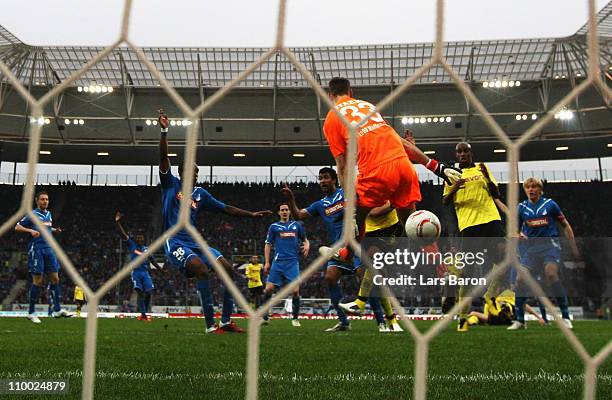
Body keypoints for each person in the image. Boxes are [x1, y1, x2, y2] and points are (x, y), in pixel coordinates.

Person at [322, 77, 460, 263]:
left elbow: (342, 164)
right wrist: (436, 166)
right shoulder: (367, 107)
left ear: (330, 95)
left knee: (358, 217)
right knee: (413, 223)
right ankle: (440, 269)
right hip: (404, 166)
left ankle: (345, 254)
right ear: (351, 92)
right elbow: (400, 141)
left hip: (376, 171)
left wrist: (349, 202)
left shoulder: (332, 117)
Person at [158, 110, 271, 333]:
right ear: (182, 172)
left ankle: (226, 321)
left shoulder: (201, 194)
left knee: (227, 269)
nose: (196, 175)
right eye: (193, 171)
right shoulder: (171, 184)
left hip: (195, 242)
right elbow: (163, 158)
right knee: (201, 270)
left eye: (198, 173)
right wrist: (164, 131)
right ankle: (210, 325)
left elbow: (225, 209)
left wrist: (251, 214)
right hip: (175, 242)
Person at [442, 142, 506, 332]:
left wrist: (487, 177)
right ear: (456, 155)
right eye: (459, 152)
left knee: (506, 257)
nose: (463, 154)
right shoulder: (452, 175)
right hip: (469, 226)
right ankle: (462, 317)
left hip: (491, 219)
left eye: (466, 151)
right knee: (468, 274)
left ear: (471, 153)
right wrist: (455, 187)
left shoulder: (482, 168)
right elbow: (445, 201)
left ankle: (490, 295)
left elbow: (496, 193)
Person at [508, 177, 580, 330]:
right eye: (528, 187)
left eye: (534, 187)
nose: (531, 190)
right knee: (520, 279)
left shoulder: (550, 205)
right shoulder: (522, 208)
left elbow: (565, 225)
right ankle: (520, 320)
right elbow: (513, 231)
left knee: (551, 274)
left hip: (550, 246)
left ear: (540, 190)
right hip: (531, 250)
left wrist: (573, 247)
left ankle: (566, 317)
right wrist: (518, 235)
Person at [15, 191, 72, 323]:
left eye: (46, 199)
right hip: (37, 249)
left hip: (49, 248)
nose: (45, 201)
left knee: (55, 278)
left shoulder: (49, 214)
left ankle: (57, 310)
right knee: (38, 281)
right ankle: (31, 312)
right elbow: (17, 227)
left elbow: (46, 228)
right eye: (42, 199)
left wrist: (54, 230)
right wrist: (30, 231)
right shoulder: (32, 215)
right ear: (37, 201)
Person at [263, 203, 309, 327]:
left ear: (289, 212)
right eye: (282, 210)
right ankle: (265, 317)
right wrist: (267, 262)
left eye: (286, 210)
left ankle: (295, 318)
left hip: (292, 262)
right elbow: (268, 244)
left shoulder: (296, 226)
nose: (284, 212)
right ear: (279, 212)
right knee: (268, 289)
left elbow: (305, 239)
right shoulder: (274, 227)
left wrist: (307, 245)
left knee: (295, 291)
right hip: (278, 262)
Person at [115, 211, 162, 322]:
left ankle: (144, 313)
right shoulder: (132, 245)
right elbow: (123, 234)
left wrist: (161, 270)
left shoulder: (146, 249)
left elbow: (152, 260)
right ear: (136, 240)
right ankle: (143, 315)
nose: (140, 239)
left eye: (141, 238)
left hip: (145, 273)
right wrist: (117, 222)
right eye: (138, 238)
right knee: (140, 293)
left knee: (149, 292)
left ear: (143, 240)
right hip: (136, 272)